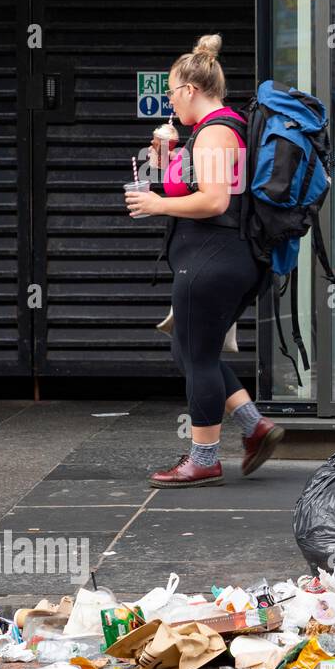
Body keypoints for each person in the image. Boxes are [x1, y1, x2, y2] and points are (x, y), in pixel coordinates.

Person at [125, 33, 284, 487]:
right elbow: (190, 186)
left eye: (172, 92)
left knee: (196, 355)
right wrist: (166, 156)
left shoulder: (215, 131)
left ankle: (204, 458)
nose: (170, 102)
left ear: (190, 90)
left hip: (213, 259)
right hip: (216, 258)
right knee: (190, 347)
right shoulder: (209, 131)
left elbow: (214, 200)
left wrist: (156, 206)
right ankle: (255, 426)